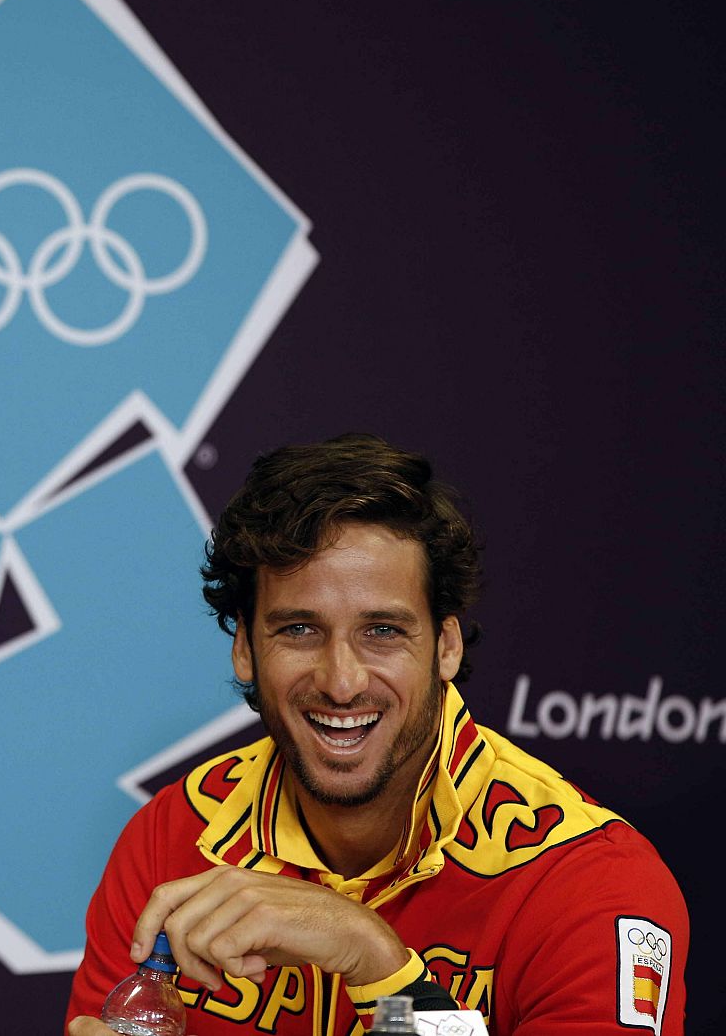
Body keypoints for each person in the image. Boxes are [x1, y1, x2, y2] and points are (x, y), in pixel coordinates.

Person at [66, 434, 687, 1035]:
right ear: (245, 651)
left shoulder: (587, 881)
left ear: (445, 646)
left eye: (383, 631)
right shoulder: (173, 837)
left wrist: (377, 963)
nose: (341, 682)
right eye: (299, 630)